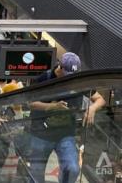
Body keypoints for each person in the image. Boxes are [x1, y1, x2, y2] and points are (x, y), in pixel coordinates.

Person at [28, 52, 105, 183]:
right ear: (60, 67)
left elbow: (100, 99)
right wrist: (51, 107)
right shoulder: (44, 78)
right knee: (36, 173)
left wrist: (92, 108)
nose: (71, 79)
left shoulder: (79, 81)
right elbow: (30, 103)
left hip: (65, 134)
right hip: (41, 133)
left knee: (73, 169)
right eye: (68, 74)